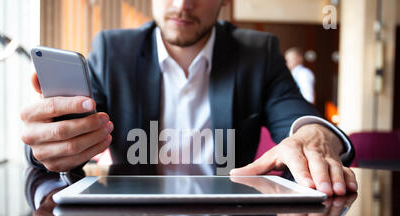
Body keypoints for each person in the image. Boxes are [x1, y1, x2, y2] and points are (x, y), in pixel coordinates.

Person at [21, 0, 357, 197]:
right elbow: (61, 131)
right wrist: (49, 141)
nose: (182, 4)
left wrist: (315, 138)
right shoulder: (113, 51)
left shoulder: (259, 54)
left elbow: (305, 122)